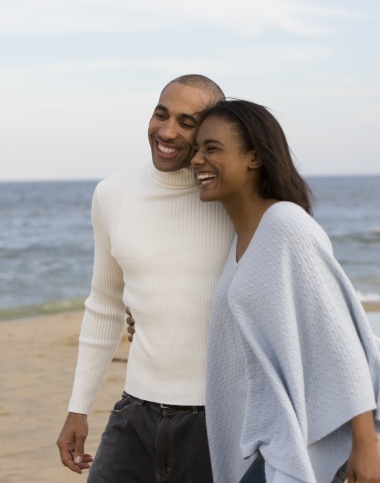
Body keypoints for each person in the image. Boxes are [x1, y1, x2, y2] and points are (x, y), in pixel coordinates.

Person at [186, 99, 380, 483]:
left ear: (253, 156)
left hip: (297, 447)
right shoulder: (242, 241)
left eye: (211, 148)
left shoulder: (286, 226)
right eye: (196, 150)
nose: (197, 160)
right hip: (265, 446)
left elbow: (341, 340)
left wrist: (366, 446)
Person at [56, 74, 234, 481]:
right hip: (135, 412)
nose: (167, 131)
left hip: (217, 418)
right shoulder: (112, 193)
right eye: (161, 114)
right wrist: (78, 408)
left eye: (187, 123)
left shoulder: (230, 197)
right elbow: (104, 304)